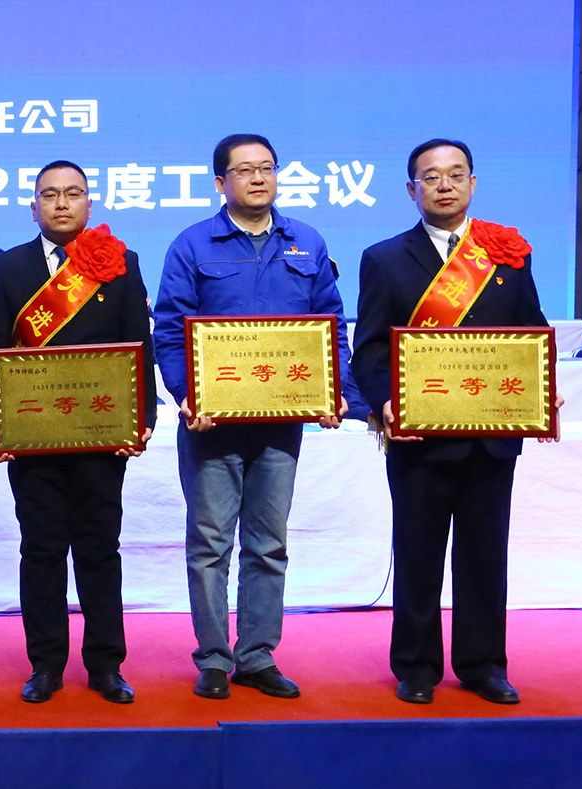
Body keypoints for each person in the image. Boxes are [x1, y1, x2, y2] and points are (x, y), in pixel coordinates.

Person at [153, 134, 361, 701]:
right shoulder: (192, 244)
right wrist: (187, 395)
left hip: (280, 424)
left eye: (267, 168)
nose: (258, 178)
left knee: (268, 544)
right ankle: (214, 659)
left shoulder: (306, 242)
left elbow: (331, 324)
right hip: (211, 426)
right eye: (244, 170)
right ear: (221, 182)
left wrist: (333, 389)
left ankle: (256, 656)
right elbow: (169, 329)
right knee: (210, 544)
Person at [351, 138, 558, 706]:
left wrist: (543, 386)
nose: (444, 185)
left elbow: (531, 331)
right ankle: (416, 666)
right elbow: (369, 350)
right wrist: (384, 402)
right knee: (418, 554)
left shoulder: (507, 254)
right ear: (411, 188)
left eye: (456, 174)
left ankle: (484, 664)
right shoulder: (384, 258)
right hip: (419, 437)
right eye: (431, 176)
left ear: (472, 182)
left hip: (491, 437)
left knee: (485, 554)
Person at [0, 160, 156, 704]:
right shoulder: (9, 267)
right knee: (42, 550)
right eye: (50, 195)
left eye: (72, 193)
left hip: (102, 433)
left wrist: (143, 416)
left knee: (100, 549)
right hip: (32, 435)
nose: (61, 203)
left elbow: (138, 341)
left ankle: (106, 664)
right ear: (33, 206)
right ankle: (46, 664)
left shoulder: (121, 261)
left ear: (89, 204)